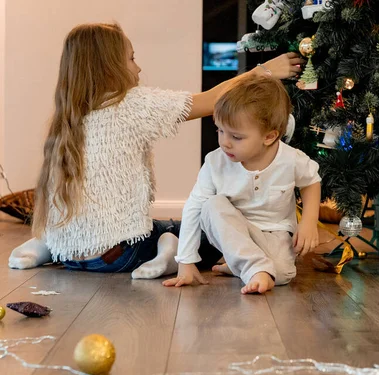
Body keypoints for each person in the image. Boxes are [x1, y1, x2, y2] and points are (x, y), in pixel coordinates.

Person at [7, 23, 304, 279]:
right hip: (120, 253)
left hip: (70, 255)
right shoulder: (129, 105)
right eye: (131, 58)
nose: (138, 67)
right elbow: (212, 99)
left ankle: (46, 246)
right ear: (109, 66)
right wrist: (265, 71)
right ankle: (167, 249)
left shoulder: (67, 118)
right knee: (206, 230)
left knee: (167, 224)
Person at [163, 76, 321, 294]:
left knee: (283, 274)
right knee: (211, 205)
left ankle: (239, 262)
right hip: (232, 230)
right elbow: (194, 207)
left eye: (236, 136)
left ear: (269, 137)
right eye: (219, 131)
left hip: (274, 233)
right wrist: (186, 261)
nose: (224, 142)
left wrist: (309, 222)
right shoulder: (215, 162)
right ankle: (251, 266)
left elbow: (311, 181)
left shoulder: (291, 159)